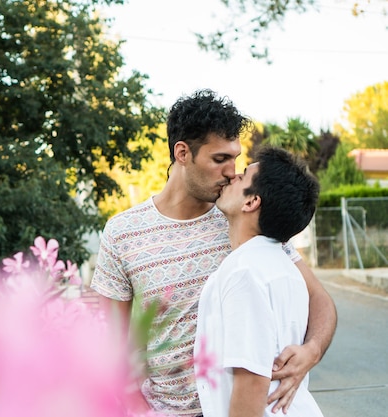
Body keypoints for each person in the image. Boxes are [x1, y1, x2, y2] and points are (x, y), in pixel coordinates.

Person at [90, 89, 336, 416]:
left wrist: (312, 350)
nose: (232, 171)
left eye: (235, 158)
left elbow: (320, 300)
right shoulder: (123, 233)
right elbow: (112, 345)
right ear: (182, 153)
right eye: (220, 159)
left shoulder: (247, 222)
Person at [194, 146, 324, 417]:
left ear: (251, 201)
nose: (231, 177)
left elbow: (252, 380)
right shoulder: (284, 268)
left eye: (241, 176)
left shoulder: (245, 271)